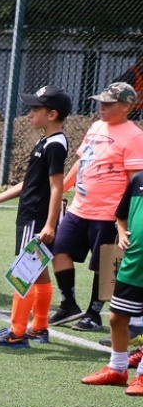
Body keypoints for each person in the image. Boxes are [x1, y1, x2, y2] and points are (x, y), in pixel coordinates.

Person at [0, 85, 71, 348]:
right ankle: (39, 327)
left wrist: (50, 224)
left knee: (25, 272)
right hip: (30, 215)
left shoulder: (55, 144)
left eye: (35, 109)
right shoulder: (45, 142)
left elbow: (57, 186)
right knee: (37, 272)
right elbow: (30, 182)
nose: (30, 114)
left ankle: (17, 331)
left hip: (36, 219)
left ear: (52, 114)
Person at [49, 82, 143, 330]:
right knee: (59, 250)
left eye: (108, 103)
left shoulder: (134, 136)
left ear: (125, 107)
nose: (101, 107)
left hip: (108, 212)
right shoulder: (95, 126)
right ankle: (68, 303)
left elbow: (136, 182)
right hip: (80, 208)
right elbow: (83, 161)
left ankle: (93, 312)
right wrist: (62, 187)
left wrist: (124, 218)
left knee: (103, 265)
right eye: (100, 102)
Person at [81, 166, 143, 391]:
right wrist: (122, 232)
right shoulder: (138, 180)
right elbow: (121, 215)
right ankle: (117, 369)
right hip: (133, 263)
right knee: (117, 317)